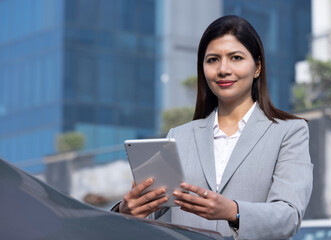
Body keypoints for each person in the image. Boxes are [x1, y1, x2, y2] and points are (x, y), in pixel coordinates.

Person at [112, 15, 313, 240]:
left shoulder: (289, 132)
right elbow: (157, 218)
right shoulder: (178, 136)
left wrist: (233, 211)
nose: (223, 69)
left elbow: (289, 215)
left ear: (257, 67)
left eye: (236, 58)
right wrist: (126, 212)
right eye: (213, 60)